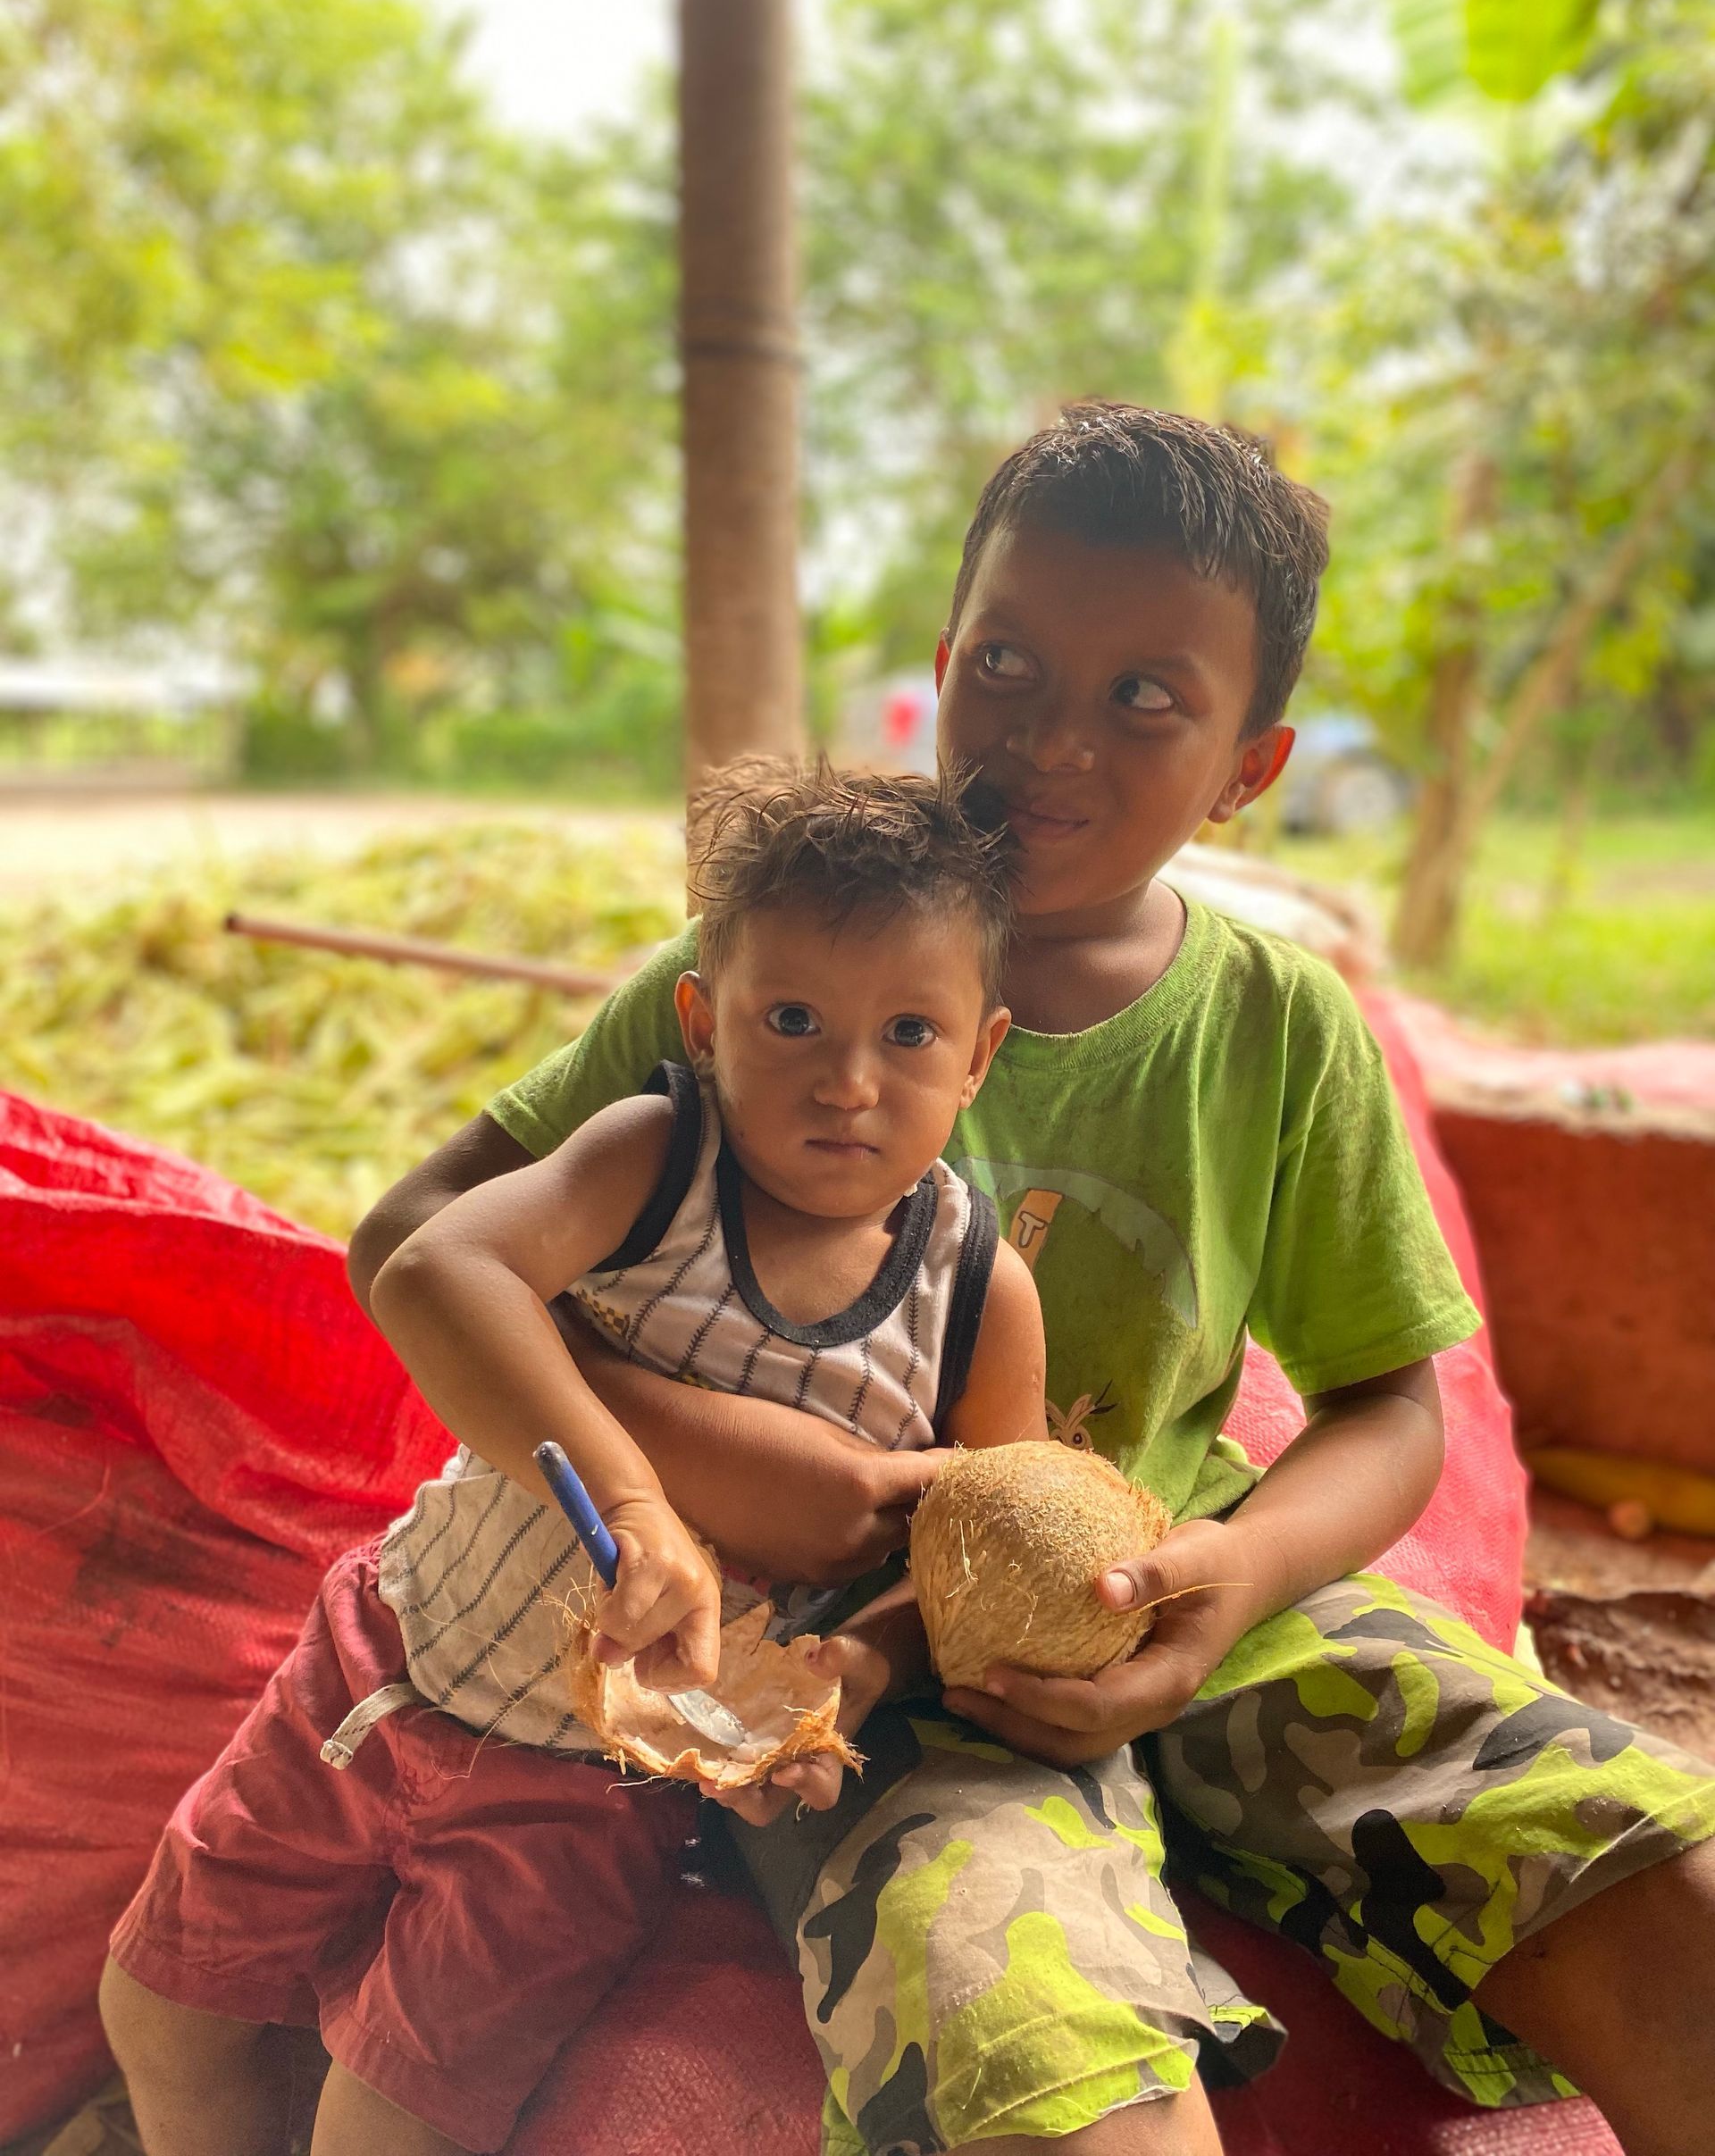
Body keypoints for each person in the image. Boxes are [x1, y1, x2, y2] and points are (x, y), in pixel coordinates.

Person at [335, 403, 1715, 2156]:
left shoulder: (1279, 1026)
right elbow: (412, 1243)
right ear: (939, 664)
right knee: (1048, 2069)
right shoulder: (756, 977)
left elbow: (1389, 1408)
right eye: (1008, 661)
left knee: (1651, 1874)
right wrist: (686, 1464)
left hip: (1209, 1603)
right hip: (847, 1682)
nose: (1052, 735)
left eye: (1148, 695)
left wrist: (1231, 1576)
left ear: (1250, 764)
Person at [98, 767, 1050, 2156]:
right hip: (381, 1665)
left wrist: (858, 1670)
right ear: (700, 1020)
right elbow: (440, 1261)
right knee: (161, 2013)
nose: (850, 1081)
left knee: (387, 2131)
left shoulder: (975, 1291)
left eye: (911, 1033)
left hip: (579, 1801)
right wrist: (632, 1499)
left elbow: (991, 1557)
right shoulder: (655, 1156)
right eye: (792, 1020)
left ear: (981, 1054)